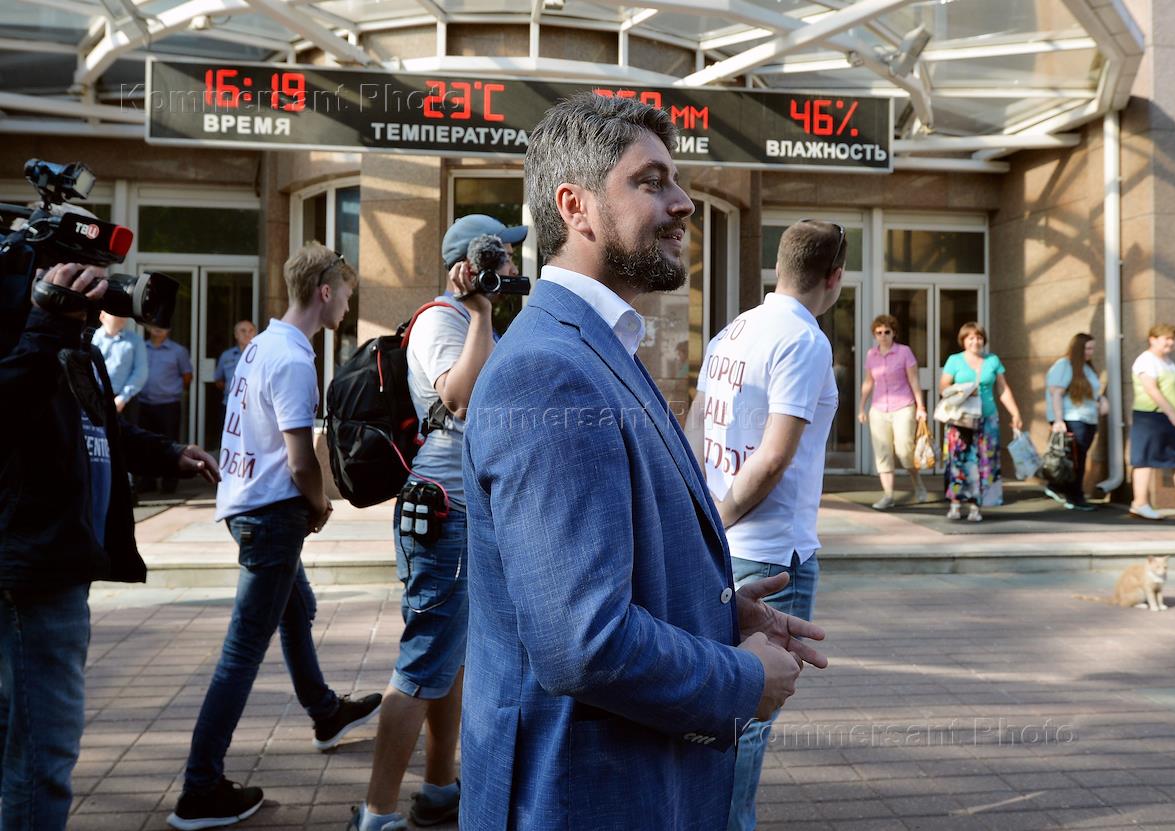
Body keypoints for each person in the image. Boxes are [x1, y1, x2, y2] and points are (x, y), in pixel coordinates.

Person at [459, 93, 827, 830]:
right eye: (651, 182)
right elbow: (583, 643)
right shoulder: (550, 370)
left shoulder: (595, 345)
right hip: (579, 800)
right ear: (576, 207)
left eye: (676, 181)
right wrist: (741, 679)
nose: (683, 202)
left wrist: (714, 616)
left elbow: (600, 579)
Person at [168, 243, 381, 830]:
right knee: (241, 655)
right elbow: (300, 460)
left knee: (297, 609)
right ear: (325, 292)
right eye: (346, 295)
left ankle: (325, 711)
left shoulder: (262, 345)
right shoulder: (292, 359)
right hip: (271, 516)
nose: (348, 307)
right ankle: (199, 790)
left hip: (252, 510)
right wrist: (320, 506)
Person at [1, 262, 219, 831]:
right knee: (43, 755)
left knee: (23, 742)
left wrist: (167, 452)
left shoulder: (78, 348)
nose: (98, 289)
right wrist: (47, 322)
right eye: (76, 275)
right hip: (35, 573)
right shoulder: (30, 340)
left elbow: (98, 425)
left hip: (62, 564)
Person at [350, 214, 527, 831]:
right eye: (504, 256)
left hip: (465, 508)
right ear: (471, 265)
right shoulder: (442, 320)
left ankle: (440, 786)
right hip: (443, 511)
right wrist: (479, 314)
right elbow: (458, 398)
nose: (513, 266)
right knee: (424, 662)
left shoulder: (475, 321)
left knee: (449, 659)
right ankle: (376, 813)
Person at [686, 219, 842, 831]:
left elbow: (696, 425)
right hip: (773, 555)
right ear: (834, 278)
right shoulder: (805, 339)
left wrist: (703, 521)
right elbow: (773, 457)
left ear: (778, 267)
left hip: (723, 547)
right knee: (751, 712)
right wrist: (720, 520)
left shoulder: (734, 330)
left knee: (717, 703)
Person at [939, 322, 1023, 521]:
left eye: (979, 337)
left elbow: (1003, 389)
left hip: (987, 418)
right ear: (963, 341)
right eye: (970, 338)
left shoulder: (992, 360)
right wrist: (962, 391)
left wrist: (1015, 413)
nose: (975, 342)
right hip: (961, 419)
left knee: (984, 461)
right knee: (958, 460)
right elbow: (943, 386)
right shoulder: (954, 360)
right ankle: (955, 504)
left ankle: (976, 506)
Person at [1128, 323, 1175, 520]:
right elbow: (1151, 389)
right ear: (1152, 339)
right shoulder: (1146, 360)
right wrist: (1172, 414)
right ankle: (1139, 503)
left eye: (1172, 339)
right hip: (1151, 417)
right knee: (1145, 459)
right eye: (1166, 338)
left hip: (1170, 418)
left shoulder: (1168, 362)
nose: (1170, 342)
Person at [858, 313, 927, 509]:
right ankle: (888, 495)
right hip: (878, 409)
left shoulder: (904, 352)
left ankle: (917, 482)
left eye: (886, 332)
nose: (883, 336)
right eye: (878, 332)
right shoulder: (871, 355)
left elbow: (914, 380)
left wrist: (921, 407)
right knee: (882, 452)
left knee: (904, 450)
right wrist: (862, 407)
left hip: (903, 406)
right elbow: (868, 382)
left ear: (893, 333)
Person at [1045, 332, 1109, 511]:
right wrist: (1058, 420)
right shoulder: (1064, 365)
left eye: (1093, 348)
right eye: (1087, 348)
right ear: (1078, 348)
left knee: (1077, 458)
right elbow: (1056, 393)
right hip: (1073, 418)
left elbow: (1093, 392)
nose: (1091, 352)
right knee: (1076, 460)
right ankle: (1074, 496)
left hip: (1088, 418)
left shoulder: (1086, 368)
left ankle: (1059, 487)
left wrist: (1102, 400)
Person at [139, 323, 194, 493]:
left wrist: (171, 391)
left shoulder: (178, 351)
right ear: (148, 328)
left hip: (168, 405)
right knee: (145, 443)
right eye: (155, 324)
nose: (158, 328)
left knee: (170, 444)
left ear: (169, 330)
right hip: (143, 403)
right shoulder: (140, 348)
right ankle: (147, 481)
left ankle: (169, 482)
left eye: (162, 325)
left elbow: (187, 376)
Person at [91, 310, 148, 422]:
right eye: (116, 313)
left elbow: (141, 371)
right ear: (102, 316)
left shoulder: (135, 341)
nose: (122, 317)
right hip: (95, 399)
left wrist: (123, 397)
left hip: (124, 402)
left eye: (123, 314)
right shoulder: (91, 338)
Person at [213, 319, 256, 407]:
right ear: (236, 335)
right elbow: (218, 380)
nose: (247, 334)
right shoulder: (226, 355)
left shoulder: (261, 355)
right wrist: (231, 388)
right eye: (243, 331)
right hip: (230, 403)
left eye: (251, 331)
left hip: (253, 405)